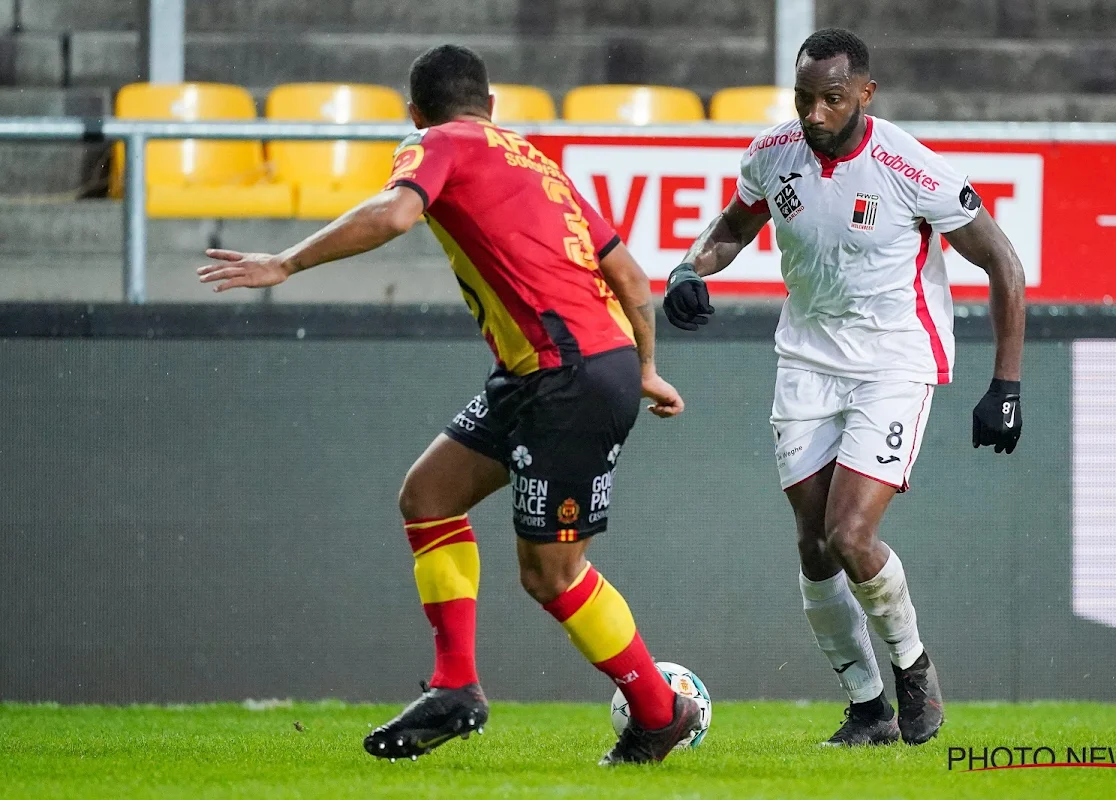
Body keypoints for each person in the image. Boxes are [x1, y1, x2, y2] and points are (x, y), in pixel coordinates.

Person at [197, 44, 700, 765]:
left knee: (550, 574)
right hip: (555, 371)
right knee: (429, 496)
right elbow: (626, 270)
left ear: (414, 113)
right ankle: (456, 686)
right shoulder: (536, 160)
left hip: (570, 375)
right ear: (492, 104)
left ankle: (660, 712)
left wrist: (285, 262)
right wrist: (645, 366)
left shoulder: (439, 142)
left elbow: (397, 214)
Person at [663, 27, 1025, 747]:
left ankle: (913, 666)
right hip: (806, 359)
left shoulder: (908, 165)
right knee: (814, 546)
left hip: (895, 362)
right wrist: (689, 269)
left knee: (850, 533)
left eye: (832, 98)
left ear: (865, 92)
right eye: (804, 98)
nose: (815, 114)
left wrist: (1005, 383)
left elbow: (1004, 264)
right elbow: (732, 228)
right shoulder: (773, 155)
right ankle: (866, 709)